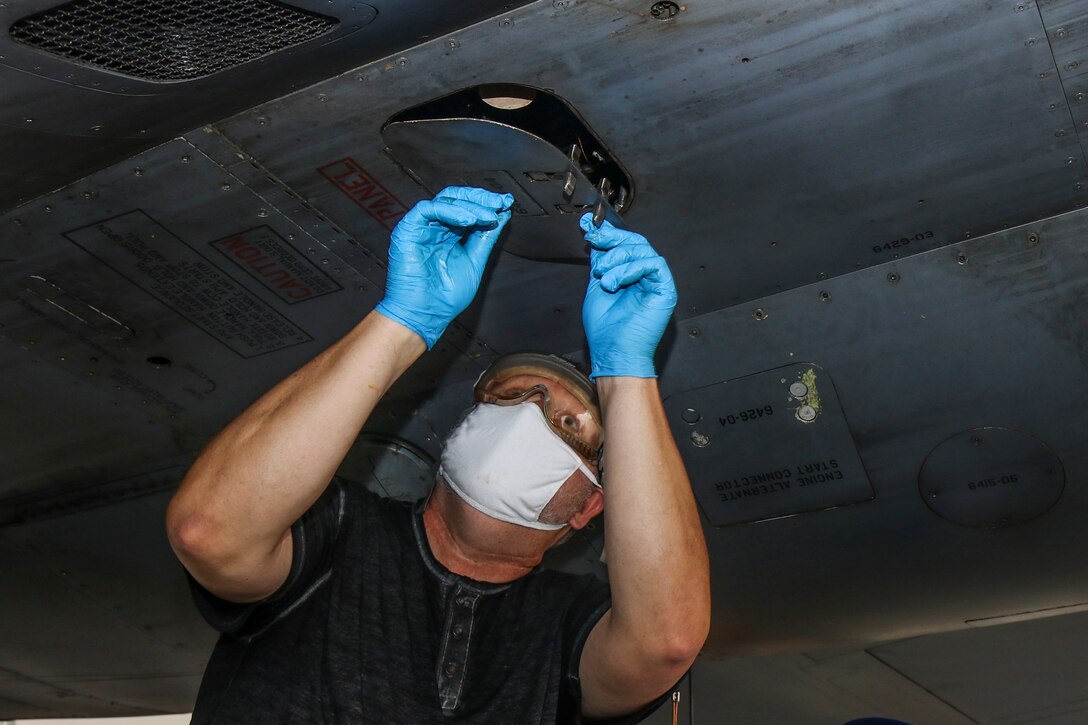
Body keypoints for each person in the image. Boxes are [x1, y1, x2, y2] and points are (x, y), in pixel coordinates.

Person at [166, 186, 710, 723]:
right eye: (513, 396)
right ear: (463, 433)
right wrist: (404, 319)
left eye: (569, 427)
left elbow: (665, 640)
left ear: (589, 506)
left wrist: (625, 372)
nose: (528, 415)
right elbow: (211, 532)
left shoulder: (565, 625)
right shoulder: (334, 535)